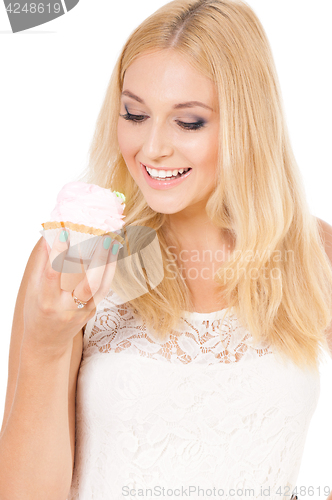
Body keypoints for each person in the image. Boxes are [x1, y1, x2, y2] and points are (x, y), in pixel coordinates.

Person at [0, 0, 332, 499]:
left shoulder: (314, 252)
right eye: (135, 114)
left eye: (189, 122)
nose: (151, 148)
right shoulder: (79, 255)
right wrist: (46, 348)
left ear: (247, 125)